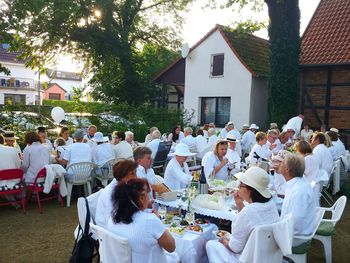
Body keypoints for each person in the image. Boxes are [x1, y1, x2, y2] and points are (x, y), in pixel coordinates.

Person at [206, 167, 279, 262]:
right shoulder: (270, 204)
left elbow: (235, 248)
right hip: (268, 254)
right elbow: (248, 221)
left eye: (241, 185)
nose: (238, 187)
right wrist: (239, 203)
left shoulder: (247, 212)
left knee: (210, 244)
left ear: (251, 190)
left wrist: (223, 241)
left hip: (249, 258)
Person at [106, 178, 176, 263]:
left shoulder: (112, 218)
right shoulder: (150, 221)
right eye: (147, 194)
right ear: (142, 199)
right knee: (178, 256)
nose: (149, 197)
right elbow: (171, 247)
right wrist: (158, 221)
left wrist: (145, 208)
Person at [279, 154, 317, 241]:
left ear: (287, 169)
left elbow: (296, 224)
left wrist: (278, 230)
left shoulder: (299, 191)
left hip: (295, 238)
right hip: (291, 231)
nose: (280, 163)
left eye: (282, 162)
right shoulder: (296, 183)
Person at [95, 160, 138, 227]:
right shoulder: (110, 193)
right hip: (109, 230)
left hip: (121, 222)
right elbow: (111, 220)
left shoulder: (125, 186)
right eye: (132, 174)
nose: (136, 177)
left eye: (135, 173)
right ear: (122, 176)